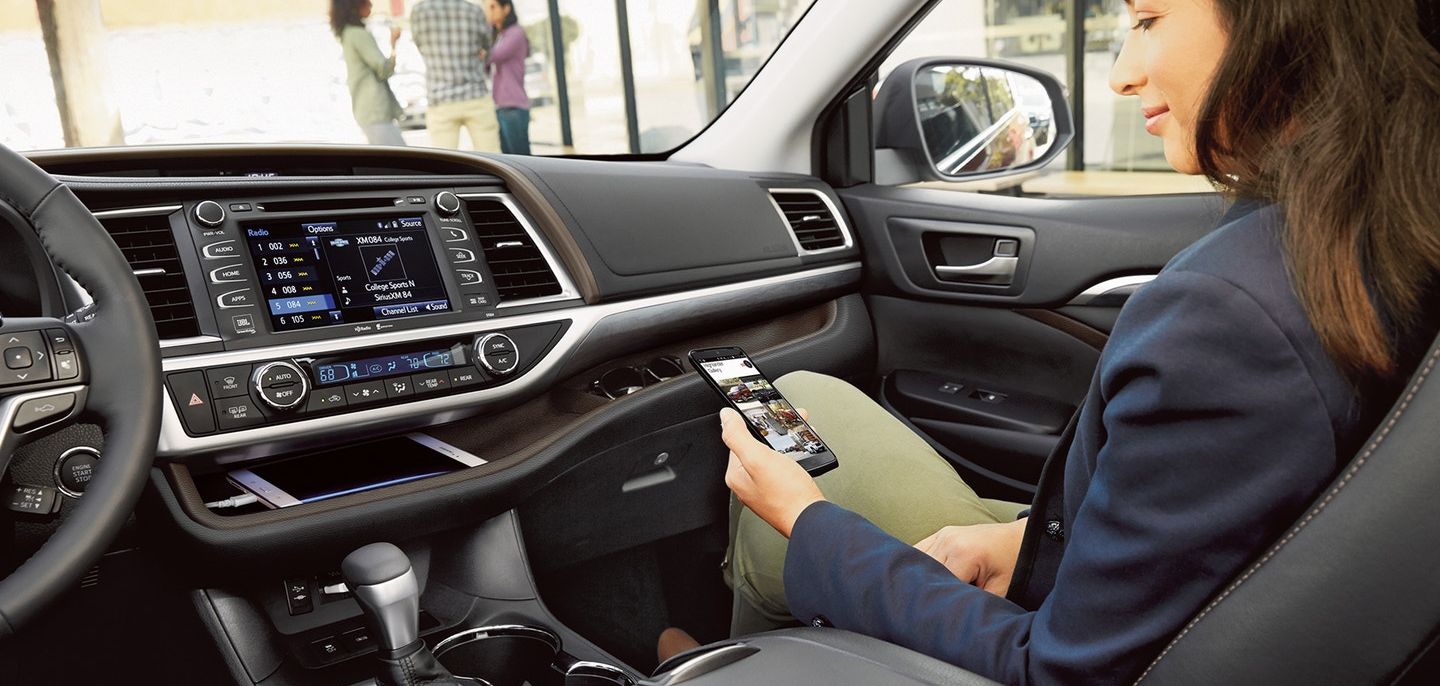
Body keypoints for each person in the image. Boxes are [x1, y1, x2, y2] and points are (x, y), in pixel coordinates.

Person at [698, 0, 1440, 683]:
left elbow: (1058, 669)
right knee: (811, 399)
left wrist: (807, 518)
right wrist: (1022, 541)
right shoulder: (1383, 233)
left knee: (785, 494)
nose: (1120, 74)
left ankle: (714, 667)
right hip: (1132, 595)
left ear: (1284, 20)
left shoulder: (1229, 319)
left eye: (1147, 18)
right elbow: (1221, 530)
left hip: (1055, 647)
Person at [410, 0, 501, 152]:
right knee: (493, 159)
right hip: (476, 96)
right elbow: (487, 48)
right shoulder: (475, 11)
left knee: (443, 164)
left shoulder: (419, 11)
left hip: (440, 100)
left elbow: (420, 46)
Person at [331, 0, 405, 146]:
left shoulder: (348, 33)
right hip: (375, 110)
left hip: (366, 110)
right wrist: (393, 45)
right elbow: (383, 69)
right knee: (402, 160)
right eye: (366, 1)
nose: (371, 4)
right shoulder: (358, 34)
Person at [484, 0, 532, 154]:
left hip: (513, 106)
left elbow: (495, 55)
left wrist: (482, 52)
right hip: (501, 106)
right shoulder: (499, 36)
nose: (488, 11)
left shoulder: (516, 32)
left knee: (521, 161)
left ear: (506, 8)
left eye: (493, 7)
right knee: (508, 160)